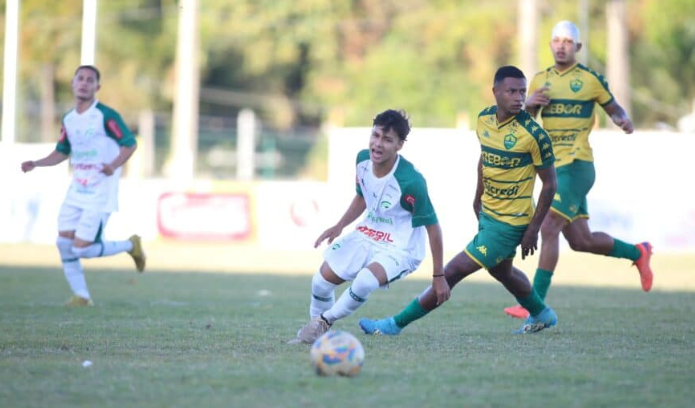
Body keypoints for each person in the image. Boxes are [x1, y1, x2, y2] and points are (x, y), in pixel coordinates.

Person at [360, 66, 558, 336]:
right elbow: (484, 159)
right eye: (512, 91)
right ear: (496, 92)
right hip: (489, 214)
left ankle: (393, 325)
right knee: (502, 272)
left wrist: (533, 229)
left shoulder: (534, 134)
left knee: (450, 273)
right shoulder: (484, 120)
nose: (519, 97)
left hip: (510, 224)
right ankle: (543, 314)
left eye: (522, 91)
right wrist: (478, 197)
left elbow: (550, 184)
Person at [503, 21, 653, 320]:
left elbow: (615, 109)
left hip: (578, 165)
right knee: (581, 241)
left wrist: (623, 119)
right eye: (556, 40)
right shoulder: (540, 80)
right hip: (553, 169)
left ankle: (534, 305)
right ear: (550, 45)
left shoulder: (589, 80)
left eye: (568, 41)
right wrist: (529, 105)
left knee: (547, 228)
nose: (561, 45)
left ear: (578, 48)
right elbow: (527, 123)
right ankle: (638, 252)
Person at [288, 109, 448, 344]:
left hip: (400, 247)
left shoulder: (411, 182)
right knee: (320, 283)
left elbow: (433, 228)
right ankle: (320, 337)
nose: (378, 144)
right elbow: (363, 197)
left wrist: (438, 276)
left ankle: (323, 322)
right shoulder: (362, 160)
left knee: (364, 281)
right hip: (367, 234)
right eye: (375, 136)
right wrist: (339, 225)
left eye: (387, 139)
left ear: (399, 145)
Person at [21, 65, 146, 307]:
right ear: (72, 83)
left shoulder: (106, 116)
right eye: (80, 79)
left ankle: (131, 245)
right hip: (77, 190)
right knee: (64, 243)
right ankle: (82, 296)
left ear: (97, 87)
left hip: (100, 193)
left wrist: (113, 165)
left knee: (81, 249)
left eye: (90, 80)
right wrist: (36, 163)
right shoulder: (69, 119)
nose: (84, 83)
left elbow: (129, 144)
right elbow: (62, 152)